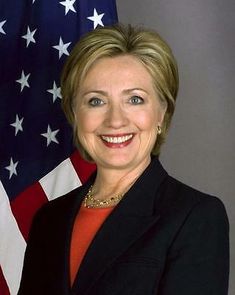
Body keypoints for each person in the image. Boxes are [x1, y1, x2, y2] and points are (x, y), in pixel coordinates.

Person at [18, 24, 229, 295]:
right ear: (75, 113)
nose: (116, 120)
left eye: (135, 100)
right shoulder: (49, 219)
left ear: (161, 113)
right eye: (96, 101)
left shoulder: (194, 216)